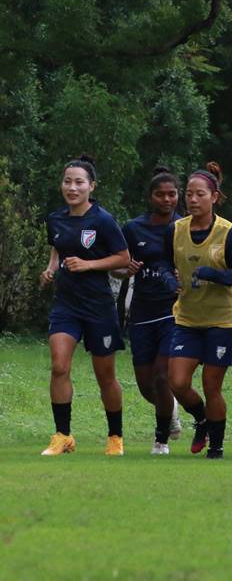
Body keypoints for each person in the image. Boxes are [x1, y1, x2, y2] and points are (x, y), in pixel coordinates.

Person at [40, 155, 132, 456]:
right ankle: (62, 435)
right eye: (68, 181)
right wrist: (51, 269)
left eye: (79, 182)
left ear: (91, 186)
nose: (72, 187)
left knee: (105, 376)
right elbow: (58, 246)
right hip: (66, 306)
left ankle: (115, 436)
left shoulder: (103, 221)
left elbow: (122, 258)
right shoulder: (55, 219)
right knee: (58, 366)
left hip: (98, 308)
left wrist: (89, 264)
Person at [165, 164, 232, 460]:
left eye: (200, 194)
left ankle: (216, 445)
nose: (193, 199)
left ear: (214, 197)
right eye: (189, 194)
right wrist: (168, 279)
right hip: (188, 318)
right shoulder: (175, 230)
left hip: (221, 321)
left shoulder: (229, 233)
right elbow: (166, 264)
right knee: (177, 382)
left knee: (211, 385)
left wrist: (215, 275)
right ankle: (201, 419)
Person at [119, 168, 183, 454]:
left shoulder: (186, 227)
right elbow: (118, 265)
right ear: (150, 197)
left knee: (161, 375)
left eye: (172, 194)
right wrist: (125, 269)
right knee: (147, 386)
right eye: (161, 194)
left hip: (174, 312)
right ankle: (171, 410)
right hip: (142, 312)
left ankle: (160, 440)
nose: (167, 199)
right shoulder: (133, 229)